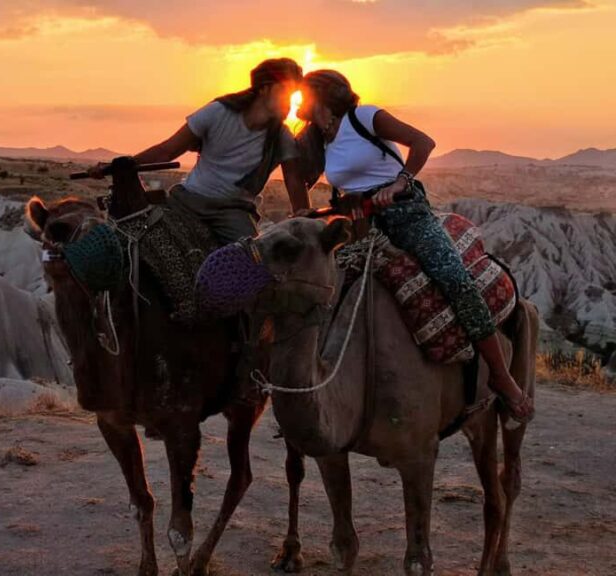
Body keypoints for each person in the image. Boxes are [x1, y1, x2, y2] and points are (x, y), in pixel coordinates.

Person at [295, 69, 534, 423]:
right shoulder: (319, 139)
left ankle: (500, 375)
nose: (297, 101)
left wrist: (400, 182)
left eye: (302, 93)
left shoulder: (364, 117)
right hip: (359, 226)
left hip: (405, 214)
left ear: (320, 95)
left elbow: (423, 142)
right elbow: (295, 170)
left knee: (453, 279)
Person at [92, 58, 310, 245]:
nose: (290, 102)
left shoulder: (281, 137)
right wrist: (116, 166)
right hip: (189, 200)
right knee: (144, 242)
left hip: (233, 211)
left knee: (250, 261)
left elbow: (294, 179)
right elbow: (167, 150)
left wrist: (304, 218)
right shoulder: (218, 112)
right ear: (264, 88)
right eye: (286, 91)